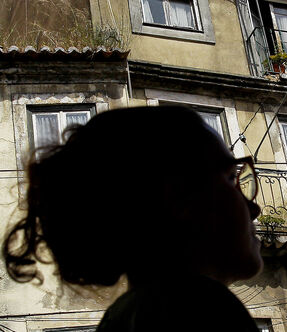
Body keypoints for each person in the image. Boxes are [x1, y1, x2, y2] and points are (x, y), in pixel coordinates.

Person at [2, 106, 264, 331]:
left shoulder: (124, 316)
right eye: (231, 177)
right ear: (178, 195)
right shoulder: (199, 308)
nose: (254, 208)